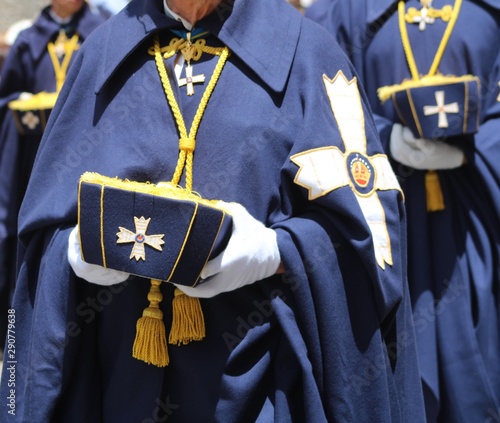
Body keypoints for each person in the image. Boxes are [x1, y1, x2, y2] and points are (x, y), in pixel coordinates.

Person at [0, 0, 426, 421]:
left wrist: (275, 253)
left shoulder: (308, 53)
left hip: (258, 386)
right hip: (119, 388)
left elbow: (371, 234)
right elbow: (41, 234)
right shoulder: (100, 54)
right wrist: (76, 249)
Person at [306, 0, 500, 421]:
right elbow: (320, 95)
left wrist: (475, 153)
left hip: (474, 224)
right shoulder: (343, 10)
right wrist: (382, 140)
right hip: (383, 225)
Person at [0, 0, 105, 358]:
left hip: (88, 155)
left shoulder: (102, 30)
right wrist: (22, 104)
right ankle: (19, 335)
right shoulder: (29, 39)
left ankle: (76, 338)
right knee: (30, 233)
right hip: (33, 158)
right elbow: (6, 96)